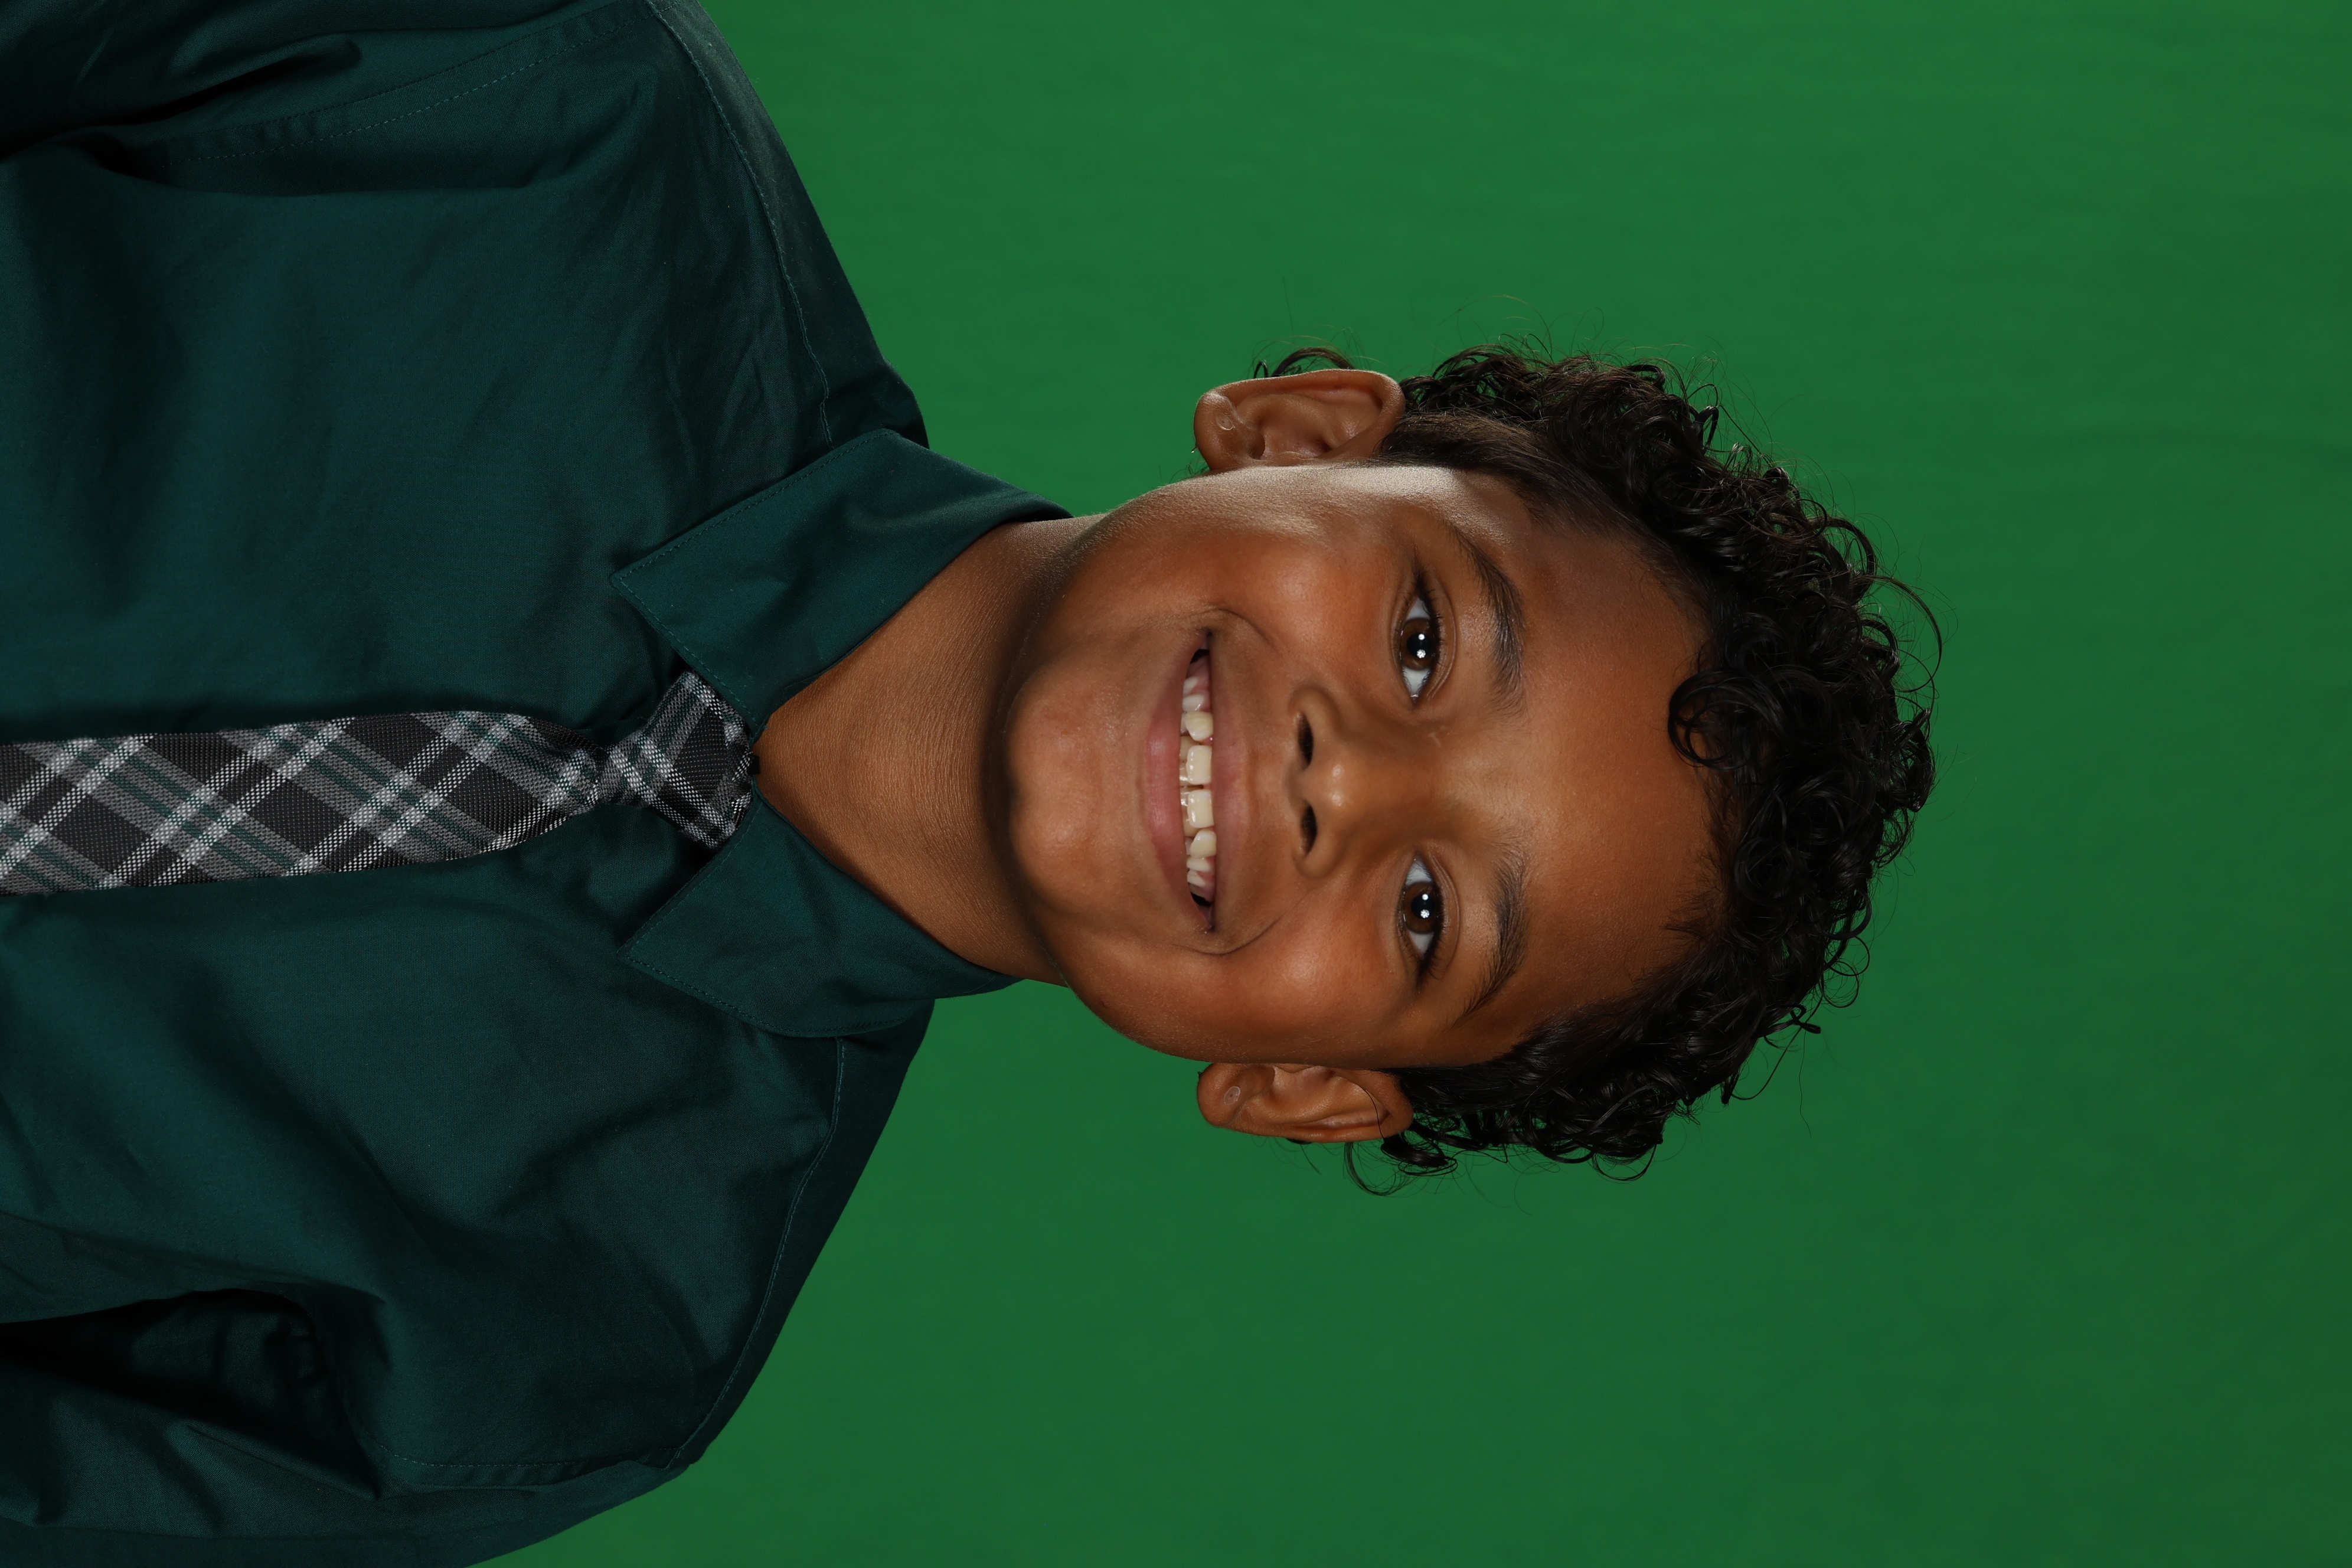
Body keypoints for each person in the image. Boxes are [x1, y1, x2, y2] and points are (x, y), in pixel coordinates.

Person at [0, 0, 1932, 1563]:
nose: (1343, 784)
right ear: (1299, 430)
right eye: (1424, 638)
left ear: (1304, 1085)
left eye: (1428, 915)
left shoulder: (566, 1363)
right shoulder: (538, 100)